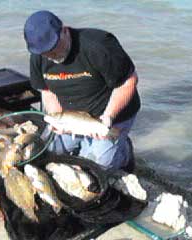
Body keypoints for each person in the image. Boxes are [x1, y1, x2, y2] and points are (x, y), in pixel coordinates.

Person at [23, 10, 140, 172]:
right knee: (49, 152)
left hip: (110, 112)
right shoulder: (38, 55)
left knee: (96, 165)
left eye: (54, 48)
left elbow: (128, 82)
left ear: (64, 30)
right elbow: (46, 91)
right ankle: (88, 144)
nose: (52, 55)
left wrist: (108, 118)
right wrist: (57, 118)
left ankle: (124, 151)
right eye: (46, 53)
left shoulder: (99, 45)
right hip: (70, 115)